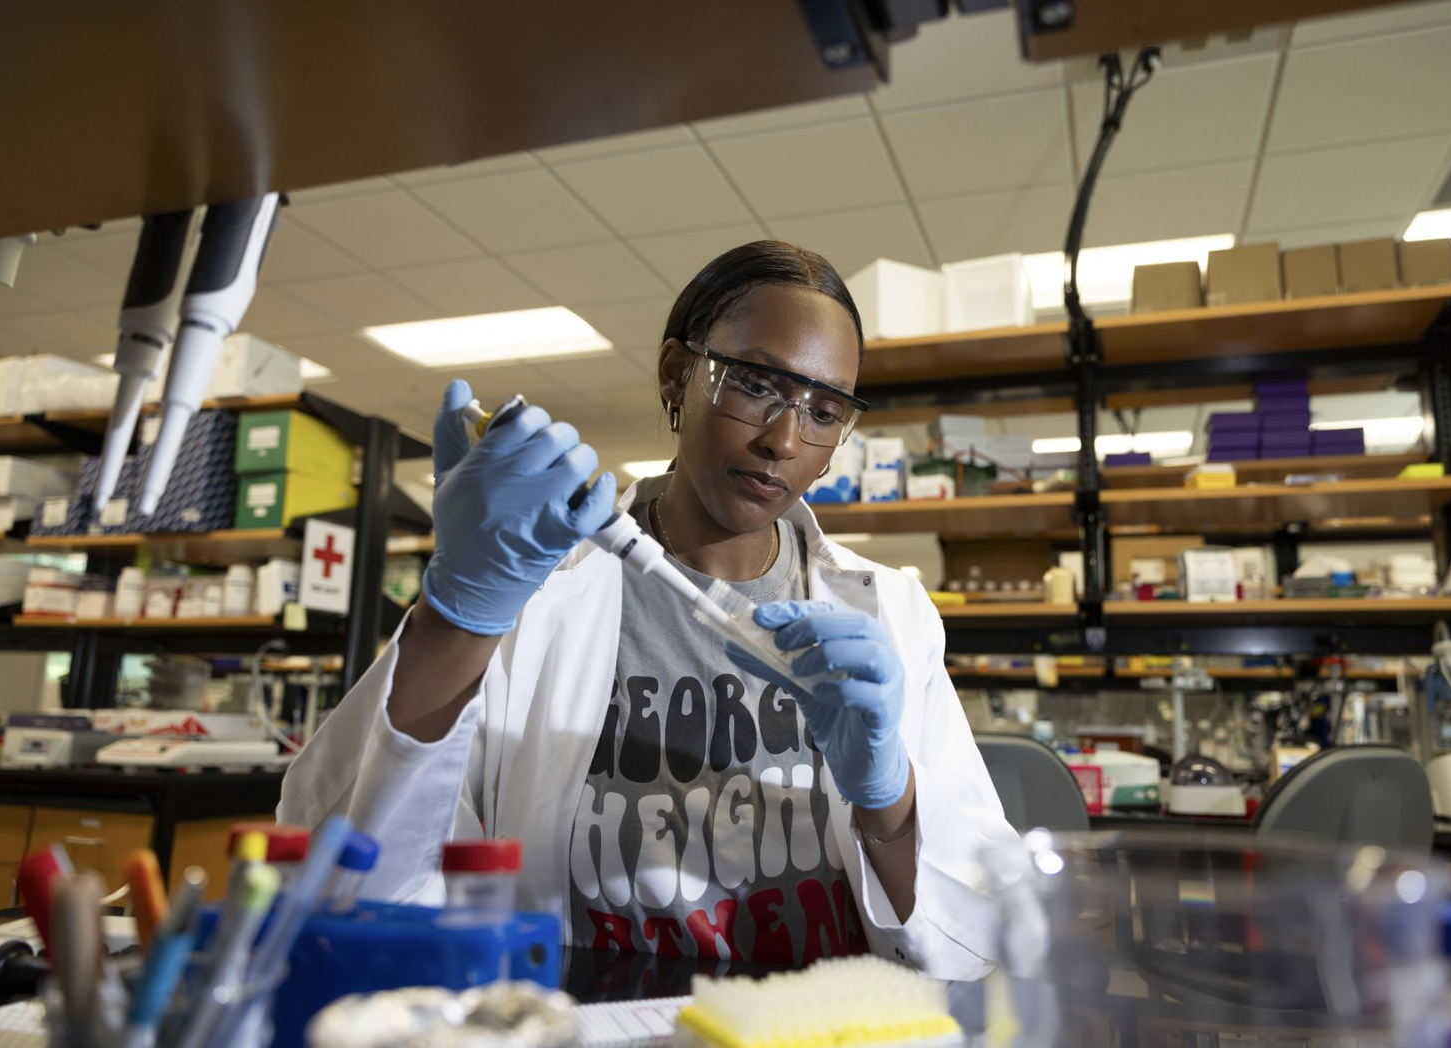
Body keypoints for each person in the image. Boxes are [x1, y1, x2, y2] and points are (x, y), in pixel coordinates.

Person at [279, 241, 1016, 979]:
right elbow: (341, 885)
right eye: (756, 384)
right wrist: (459, 614)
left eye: (825, 411)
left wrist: (891, 802)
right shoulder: (537, 595)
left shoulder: (892, 611)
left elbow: (980, 933)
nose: (783, 440)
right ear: (676, 374)